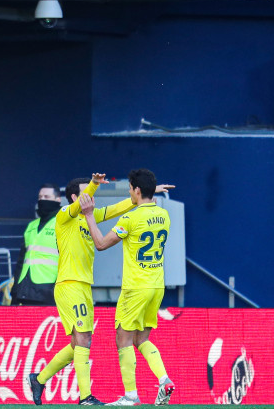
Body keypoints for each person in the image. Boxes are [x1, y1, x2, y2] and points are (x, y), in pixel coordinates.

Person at [82, 168, 175, 406]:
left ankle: (130, 395)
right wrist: (151, 192)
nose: (130, 194)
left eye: (131, 190)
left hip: (135, 287)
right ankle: (164, 380)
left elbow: (101, 244)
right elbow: (146, 205)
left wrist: (89, 215)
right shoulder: (163, 214)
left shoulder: (130, 219)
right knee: (141, 339)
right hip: (156, 285)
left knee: (123, 338)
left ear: (136, 190)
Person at [11, 183, 61, 305]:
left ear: (58, 200)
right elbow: (21, 261)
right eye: (40, 197)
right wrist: (15, 289)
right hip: (25, 289)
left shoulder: (63, 224)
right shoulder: (31, 226)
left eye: (47, 197)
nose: (42, 200)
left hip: (49, 291)